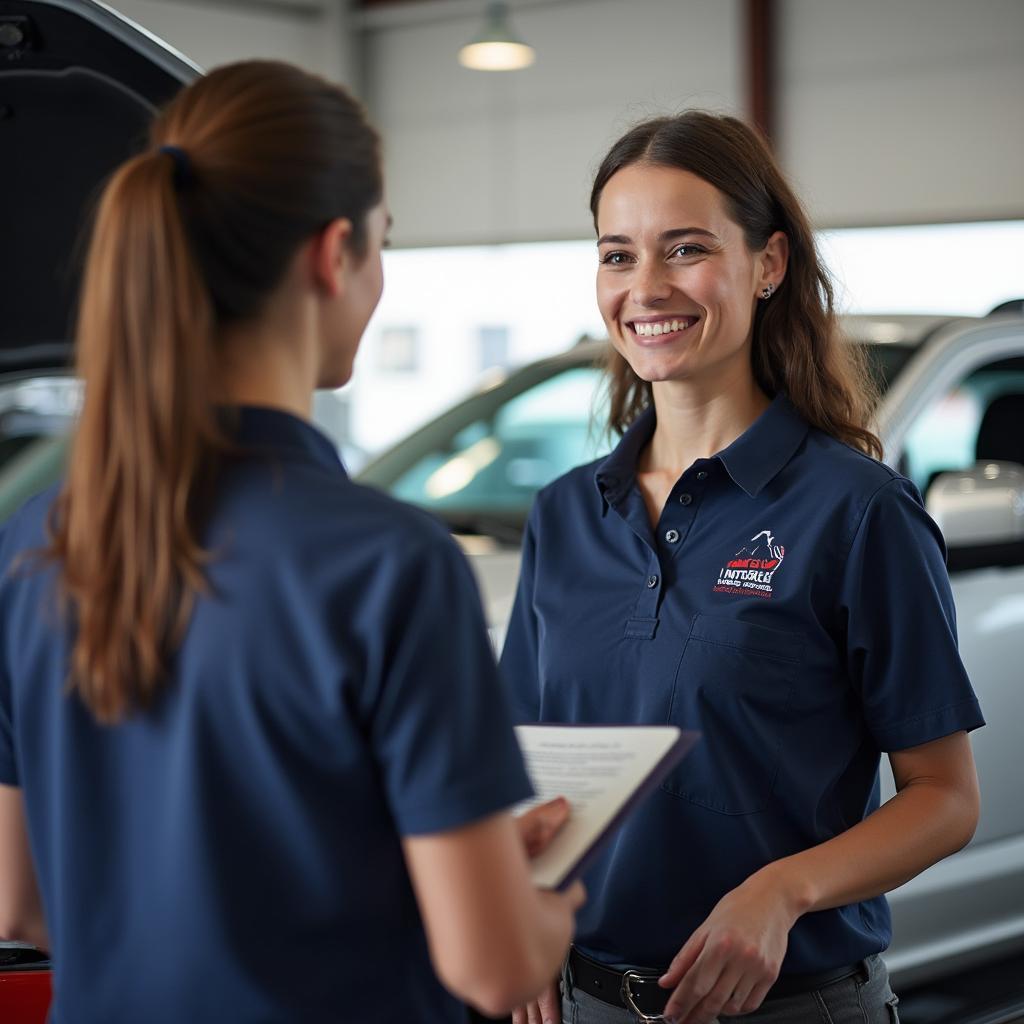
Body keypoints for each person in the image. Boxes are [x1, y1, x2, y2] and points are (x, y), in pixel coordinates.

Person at [0, 61, 584, 1024]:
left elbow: (21, 899)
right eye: (385, 242)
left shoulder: (36, 544)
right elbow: (492, 968)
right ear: (335, 253)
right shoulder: (390, 565)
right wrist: (542, 906)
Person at [501, 111, 984, 1024]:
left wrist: (784, 891)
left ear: (768, 265)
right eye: (617, 254)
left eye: (684, 250)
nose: (645, 287)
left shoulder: (856, 511)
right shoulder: (566, 513)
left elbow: (946, 799)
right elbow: (526, 772)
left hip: (794, 1006)